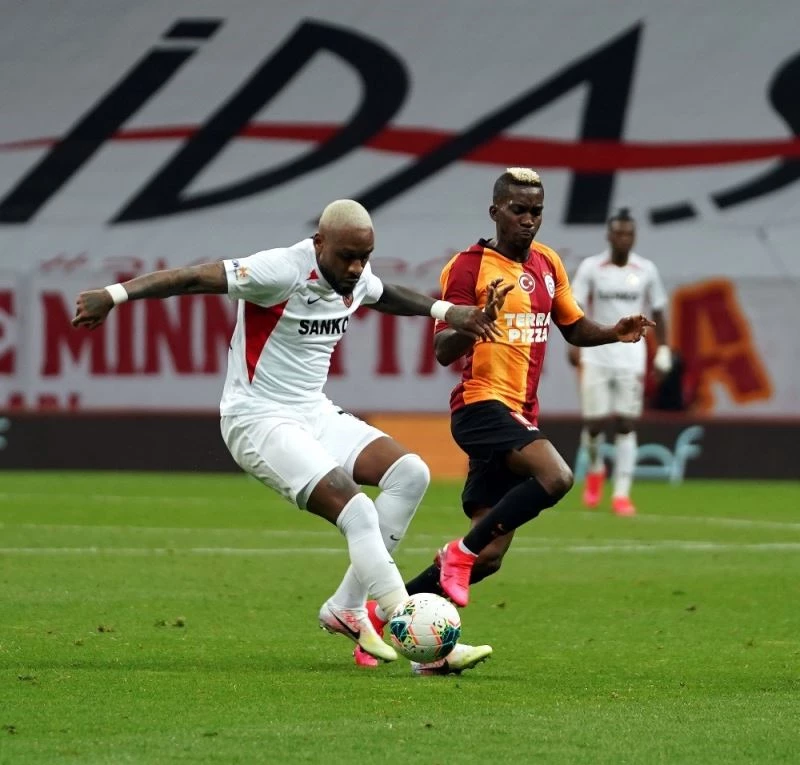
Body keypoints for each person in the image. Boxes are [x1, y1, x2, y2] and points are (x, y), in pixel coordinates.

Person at [71, 199, 499, 674]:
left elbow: (386, 294)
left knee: (410, 473)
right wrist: (112, 295)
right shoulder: (279, 270)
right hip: (257, 418)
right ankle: (416, 629)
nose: (357, 268)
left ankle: (346, 606)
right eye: (347, 257)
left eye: (365, 255)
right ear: (319, 244)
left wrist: (450, 312)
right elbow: (194, 278)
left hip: (311, 411)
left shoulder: (354, 274)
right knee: (356, 510)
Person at [371, 167, 655, 612]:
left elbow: (574, 327)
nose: (528, 220)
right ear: (495, 211)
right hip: (480, 406)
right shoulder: (467, 267)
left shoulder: (547, 263)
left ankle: (384, 613)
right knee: (557, 477)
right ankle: (456, 555)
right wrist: (476, 321)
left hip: (520, 414)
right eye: (518, 210)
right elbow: (444, 349)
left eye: (536, 212)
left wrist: (613, 332)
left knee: (489, 557)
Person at [568, 208, 671, 515]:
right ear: (609, 235)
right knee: (595, 423)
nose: (623, 237)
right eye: (618, 232)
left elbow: (660, 309)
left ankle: (622, 493)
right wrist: (574, 340)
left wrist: (663, 349)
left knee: (626, 422)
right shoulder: (591, 267)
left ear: (634, 236)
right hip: (597, 351)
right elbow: (574, 304)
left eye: (629, 233)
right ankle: (596, 469)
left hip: (632, 354)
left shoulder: (646, 269)